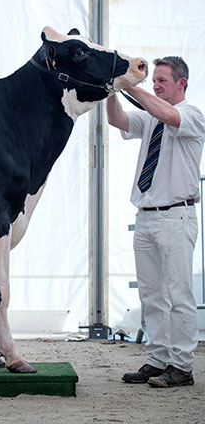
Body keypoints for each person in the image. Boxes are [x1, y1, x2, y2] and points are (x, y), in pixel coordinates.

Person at [106, 56, 205, 388]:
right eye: (155, 81)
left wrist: (130, 85)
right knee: (151, 296)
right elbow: (118, 120)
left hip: (176, 215)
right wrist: (112, 88)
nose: (156, 85)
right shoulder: (151, 117)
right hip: (147, 216)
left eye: (162, 80)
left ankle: (182, 366)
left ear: (181, 84)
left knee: (178, 294)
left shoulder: (190, 115)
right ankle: (158, 359)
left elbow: (166, 114)